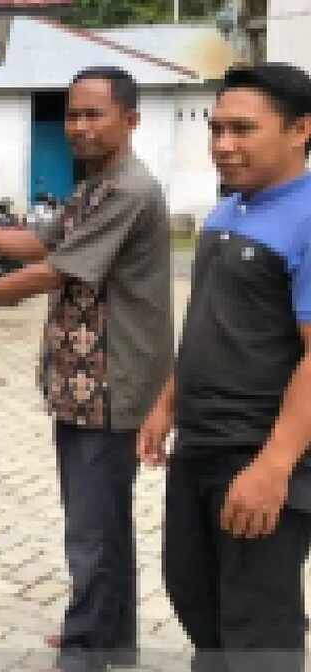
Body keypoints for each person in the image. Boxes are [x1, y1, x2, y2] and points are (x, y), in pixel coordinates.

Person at [0, 66, 172, 671]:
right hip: (82, 383)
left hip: (111, 383)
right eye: (73, 114)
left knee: (92, 527)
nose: (79, 126)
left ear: (131, 120)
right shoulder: (95, 186)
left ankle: (87, 650)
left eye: (94, 114)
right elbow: (42, 243)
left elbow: (51, 272)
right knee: (103, 522)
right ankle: (113, 639)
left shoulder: (130, 191)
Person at [137, 62, 311, 672]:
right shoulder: (227, 211)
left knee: (257, 625)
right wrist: (167, 405)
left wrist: (275, 466)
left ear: (301, 130)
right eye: (216, 129)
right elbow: (209, 323)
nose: (223, 145)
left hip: (258, 452)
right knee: (194, 592)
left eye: (243, 129)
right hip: (200, 446)